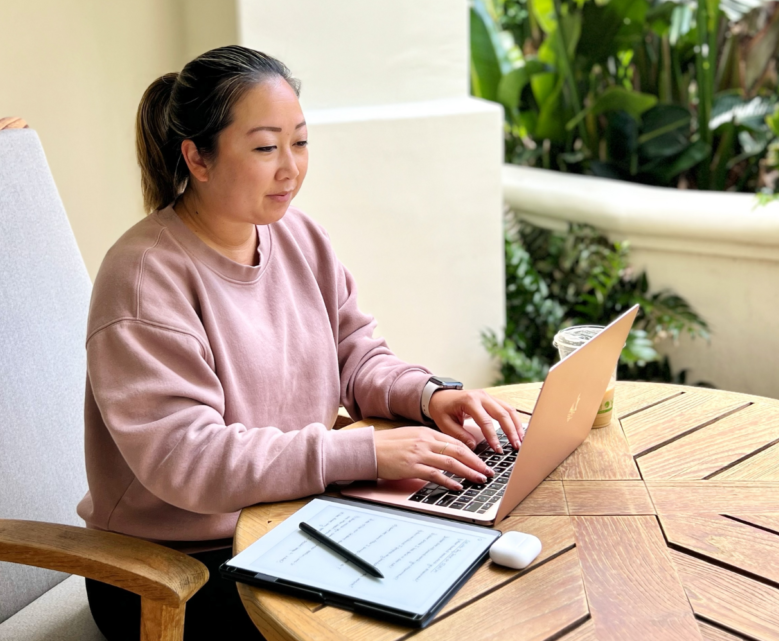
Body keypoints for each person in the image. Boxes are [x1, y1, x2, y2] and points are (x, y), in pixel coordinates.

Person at [77, 45, 524, 641]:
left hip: (293, 523)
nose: (290, 168)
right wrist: (361, 455)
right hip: (174, 571)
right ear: (198, 158)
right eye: (265, 147)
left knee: (475, 567)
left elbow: (355, 354)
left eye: (301, 142)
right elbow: (188, 461)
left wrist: (429, 396)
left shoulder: (297, 237)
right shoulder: (144, 278)